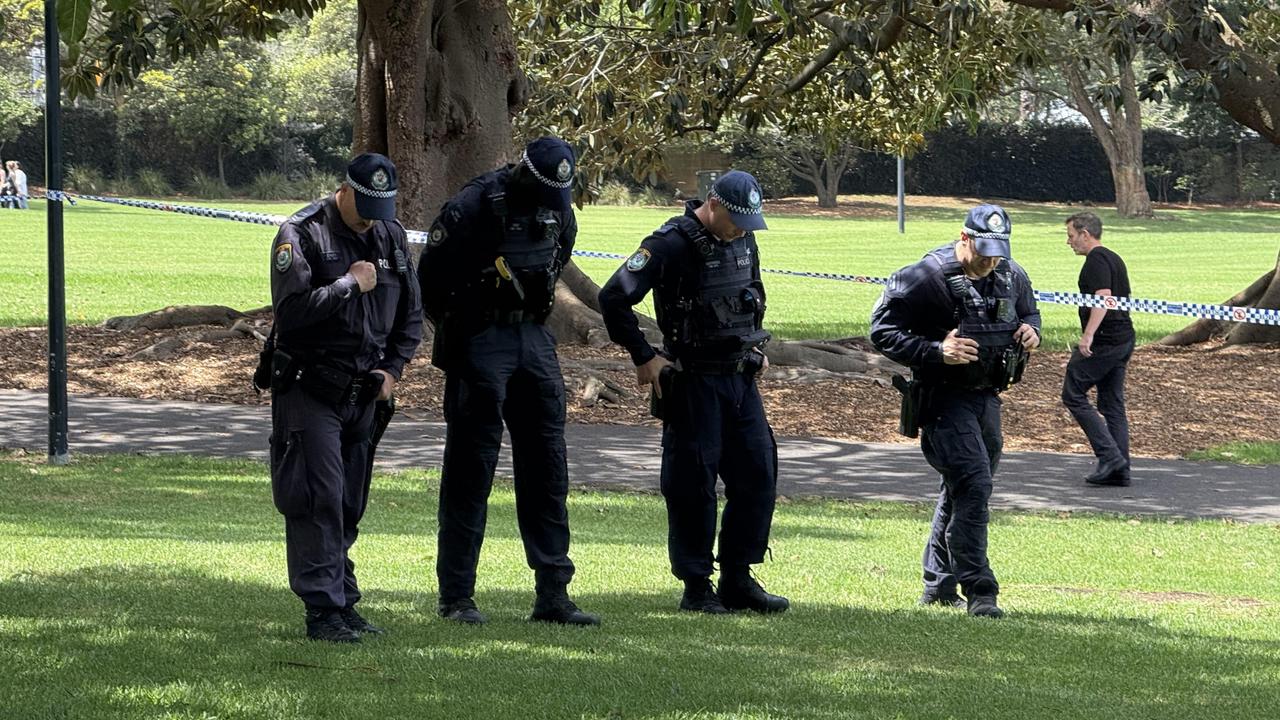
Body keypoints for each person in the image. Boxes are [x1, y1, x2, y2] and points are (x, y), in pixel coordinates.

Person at [419, 136, 599, 627]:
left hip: (533, 338)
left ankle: (553, 594)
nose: (551, 204)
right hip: (480, 339)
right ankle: (457, 598)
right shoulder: (475, 203)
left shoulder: (557, 204)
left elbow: (558, 254)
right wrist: (469, 325)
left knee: (548, 466)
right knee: (470, 470)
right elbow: (430, 279)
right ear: (523, 172)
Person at [598, 170, 789, 616]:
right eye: (737, 220)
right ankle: (696, 585)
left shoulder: (744, 239)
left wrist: (755, 349)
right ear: (713, 203)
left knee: (758, 474)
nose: (743, 230)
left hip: (740, 378)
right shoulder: (669, 244)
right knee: (692, 485)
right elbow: (613, 298)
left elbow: (748, 296)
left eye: (750, 222)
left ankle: (738, 578)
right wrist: (644, 356)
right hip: (694, 381)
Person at [264, 152, 423, 642]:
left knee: (349, 502)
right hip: (310, 386)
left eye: (385, 204)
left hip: (365, 393)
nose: (375, 214)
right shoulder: (303, 233)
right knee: (319, 497)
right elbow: (290, 315)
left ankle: (343, 599)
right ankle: (322, 610)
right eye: (368, 202)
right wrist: (349, 285)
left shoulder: (390, 234)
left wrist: (393, 369)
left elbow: (412, 314)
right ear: (345, 189)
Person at [869, 204, 1041, 619]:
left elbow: (1031, 311)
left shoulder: (1009, 273)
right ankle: (981, 590)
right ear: (963, 238)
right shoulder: (925, 277)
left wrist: (1032, 330)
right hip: (943, 399)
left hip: (986, 397)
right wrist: (936, 351)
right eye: (983, 251)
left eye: (997, 252)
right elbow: (882, 332)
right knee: (975, 484)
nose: (990, 260)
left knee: (961, 490)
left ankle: (938, 585)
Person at [1062, 212, 1135, 487]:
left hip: (1105, 340)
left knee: (1073, 393)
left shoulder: (1096, 260)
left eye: (1071, 236)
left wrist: (1088, 335)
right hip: (1123, 338)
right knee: (1111, 404)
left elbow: (1103, 298)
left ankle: (1110, 456)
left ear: (1085, 233)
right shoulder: (1114, 257)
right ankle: (1120, 470)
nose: (1069, 242)